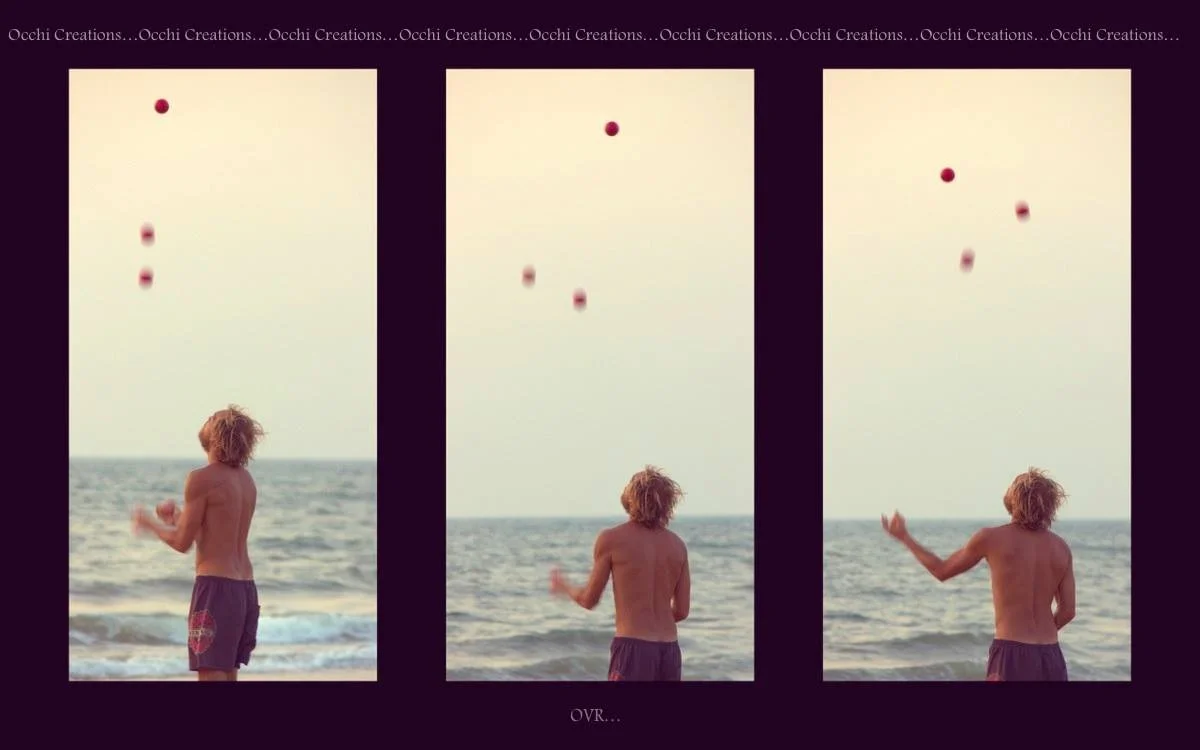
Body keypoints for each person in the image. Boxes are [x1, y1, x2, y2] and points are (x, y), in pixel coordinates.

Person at [881, 467, 1075, 681]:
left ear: (1014, 499)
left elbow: (941, 570)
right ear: (1050, 505)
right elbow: (1067, 611)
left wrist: (904, 537)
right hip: (1051, 655)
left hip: (1011, 653)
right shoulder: (1061, 548)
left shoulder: (991, 538)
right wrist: (1040, 636)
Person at [131, 406, 264, 682]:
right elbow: (214, 536)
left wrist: (150, 524)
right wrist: (177, 517)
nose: (207, 418)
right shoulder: (246, 481)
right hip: (244, 591)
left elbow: (182, 543)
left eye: (212, 418)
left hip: (216, 589)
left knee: (212, 673)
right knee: (227, 674)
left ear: (217, 436)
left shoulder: (201, 478)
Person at [549, 465, 690, 681]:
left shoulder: (611, 539)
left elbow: (589, 600)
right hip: (670, 651)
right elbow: (681, 611)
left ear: (630, 499)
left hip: (633, 650)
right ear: (668, 503)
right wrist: (653, 618)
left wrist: (564, 586)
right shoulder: (678, 546)